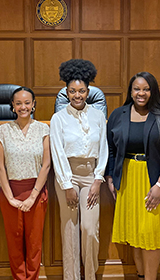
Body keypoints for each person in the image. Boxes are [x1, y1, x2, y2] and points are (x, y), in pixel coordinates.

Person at [106, 71, 160, 280]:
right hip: (129, 179)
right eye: (137, 89)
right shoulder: (118, 115)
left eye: (146, 89)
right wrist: (111, 178)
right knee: (135, 234)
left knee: (150, 236)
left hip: (157, 180)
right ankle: (141, 276)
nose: (141, 93)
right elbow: (111, 149)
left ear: (153, 91)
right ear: (131, 91)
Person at [50, 59, 108, 280]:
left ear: (88, 91)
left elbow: (103, 149)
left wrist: (97, 180)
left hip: (91, 175)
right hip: (68, 176)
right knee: (70, 232)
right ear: (66, 92)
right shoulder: (58, 118)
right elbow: (57, 152)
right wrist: (66, 185)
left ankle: (90, 276)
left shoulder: (98, 116)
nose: (77, 95)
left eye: (81, 91)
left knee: (90, 229)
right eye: (72, 91)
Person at [0, 86, 51, 280]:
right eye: (18, 103)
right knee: (14, 242)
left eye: (27, 103)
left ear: (33, 105)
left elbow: (46, 165)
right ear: (12, 106)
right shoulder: (3, 130)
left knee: (34, 243)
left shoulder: (43, 129)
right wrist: (10, 197)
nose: (23, 107)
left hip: (36, 192)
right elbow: (0, 167)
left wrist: (33, 196)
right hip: (10, 192)